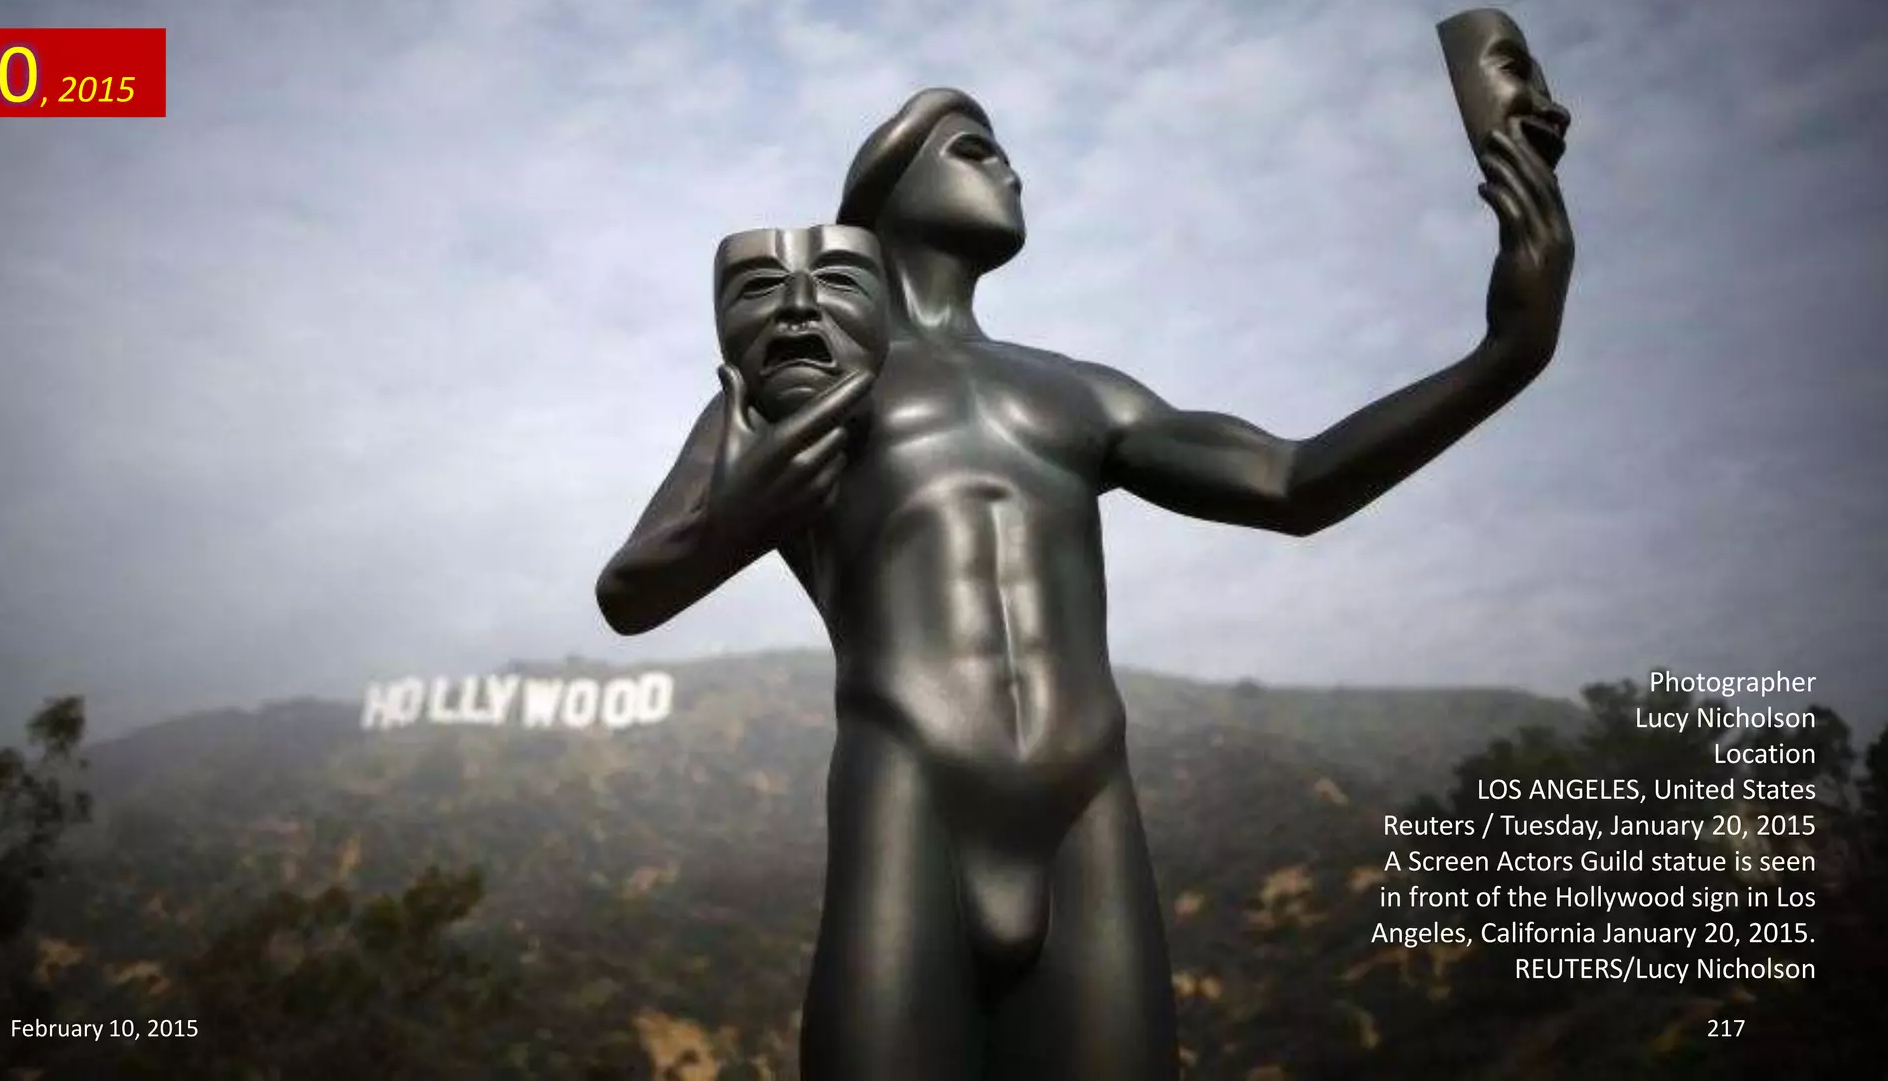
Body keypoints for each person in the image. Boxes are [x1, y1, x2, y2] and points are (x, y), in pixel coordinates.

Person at [597, 85, 1573, 1080]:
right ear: (887, 191)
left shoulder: (1077, 391)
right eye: (975, 150)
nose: (1010, 171)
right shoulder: (803, 373)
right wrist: (738, 519)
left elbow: (1293, 482)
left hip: (1085, 813)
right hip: (910, 798)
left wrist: (1504, 354)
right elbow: (630, 590)